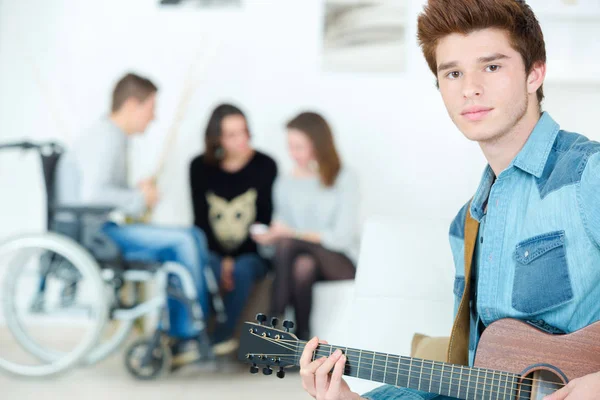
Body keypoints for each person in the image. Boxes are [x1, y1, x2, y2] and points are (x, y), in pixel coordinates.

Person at [299, 0, 600, 399]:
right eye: (453, 72)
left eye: (491, 66)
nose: (469, 88)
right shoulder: (467, 224)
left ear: (534, 73)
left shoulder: (587, 174)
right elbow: (475, 380)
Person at [56, 72, 212, 364]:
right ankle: (186, 334)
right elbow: (92, 195)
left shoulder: (110, 137)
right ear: (131, 104)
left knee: (191, 236)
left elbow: (98, 190)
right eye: (151, 108)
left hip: (100, 227)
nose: (153, 118)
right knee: (183, 241)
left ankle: (186, 329)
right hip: (96, 233)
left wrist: (134, 193)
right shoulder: (105, 138)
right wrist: (139, 199)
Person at [252, 111, 360, 341]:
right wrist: (272, 237)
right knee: (303, 264)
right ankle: (301, 338)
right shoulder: (285, 182)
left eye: (299, 147)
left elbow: (340, 238)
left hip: (339, 261)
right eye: (290, 147)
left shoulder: (344, 178)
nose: (294, 154)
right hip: (297, 259)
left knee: (290, 246)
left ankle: (272, 322)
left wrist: (291, 234)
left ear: (318, 144)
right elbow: (282, 234)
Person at [189, 103, 277, 351]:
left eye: (244, 131)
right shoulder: (199, 167)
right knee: (210, 266)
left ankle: (221, 338)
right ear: (217, 139)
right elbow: (200, 222)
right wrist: (224, 258)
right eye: (232, 134)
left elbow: (263, 220)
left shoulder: (265, 165)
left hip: (253, 252)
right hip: (212, 249)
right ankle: (196, 335)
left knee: (244, 269)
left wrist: (234, 259)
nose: (241, 139)